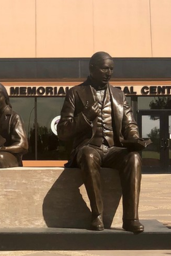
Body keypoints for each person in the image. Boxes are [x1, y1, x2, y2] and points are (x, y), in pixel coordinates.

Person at [57, 51, 144, 233]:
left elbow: (130, 124)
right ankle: (97, 215)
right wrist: (86, 116)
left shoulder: (119, 95)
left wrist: (135, 139)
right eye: (105, 68)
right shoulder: (75, 93)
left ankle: (131, 218)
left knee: (134, 157)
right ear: (92, 68)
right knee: (88, 154)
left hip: (113, 149)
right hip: (89, 147)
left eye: (111, 69)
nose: (109, 73)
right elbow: (63, 131)